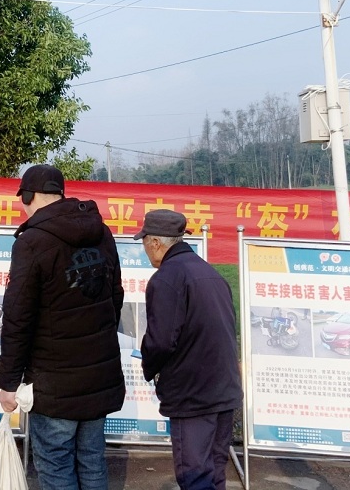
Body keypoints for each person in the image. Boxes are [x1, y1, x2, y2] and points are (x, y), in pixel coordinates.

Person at [0, 164, 125, 490]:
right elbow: (115, 297)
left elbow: (17, 318)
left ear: (29, 196)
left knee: (56, 467)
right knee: (93, 462)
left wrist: (8, 383)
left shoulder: (31, 242)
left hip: (54, 383)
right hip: (98, 376)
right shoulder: (102, 233)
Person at [134, 209, 243, 490]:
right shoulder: (210, 272)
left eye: (144, 242)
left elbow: (161, 340)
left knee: (194, 474)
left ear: (155, 242)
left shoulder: (167, 278)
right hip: (223, 389)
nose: (145, 249)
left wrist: (149, 367)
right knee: (215, 472)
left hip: (193, 394)